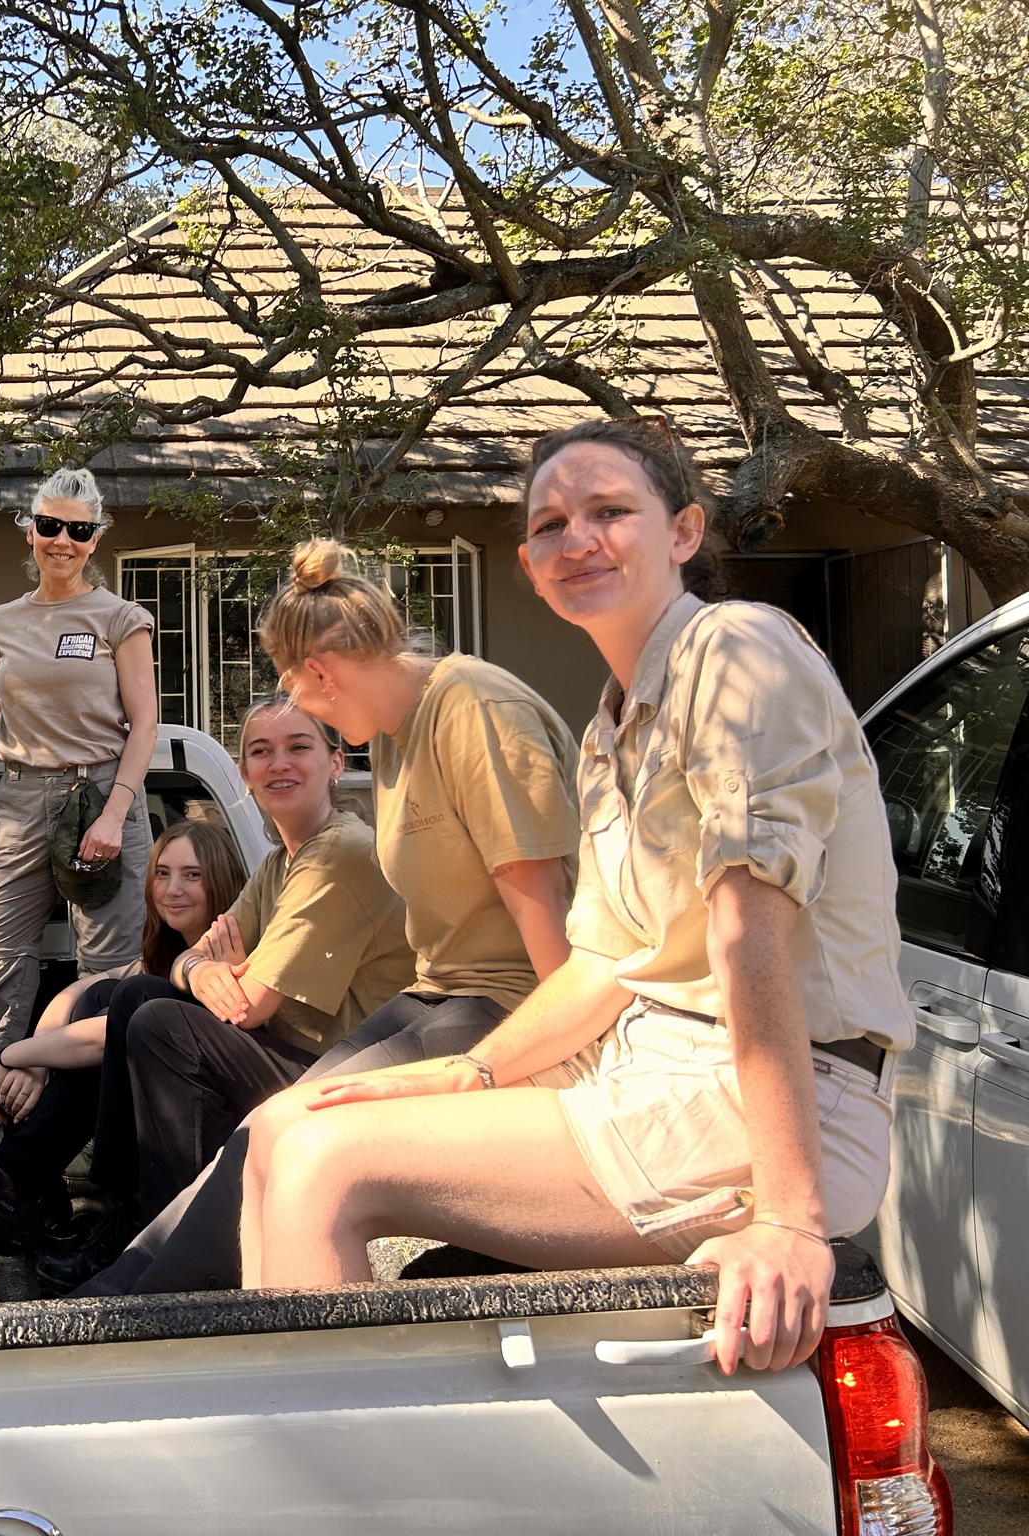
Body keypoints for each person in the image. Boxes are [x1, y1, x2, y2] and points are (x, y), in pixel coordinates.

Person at [241, 417, 911, 1376]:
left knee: (324, 1166)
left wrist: (790, 1220)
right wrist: (467, 1074)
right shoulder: (609, 729)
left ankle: (341, 1490)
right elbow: (602, 964)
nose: (578, 539)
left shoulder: (739, 652)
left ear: (684, 532)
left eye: (609, 512)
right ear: (528, 562)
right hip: (645, 1075)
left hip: (778, 1108)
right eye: (552, 524)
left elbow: (746, 935)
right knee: (283, 1125)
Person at [78, 544, 581, 1295]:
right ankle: (122, 1292)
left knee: (300, 1136)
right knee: (267, 1129)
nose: (304, 718)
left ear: (317, 672)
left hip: (504, 1007)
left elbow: (547, 912)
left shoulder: (473, 708)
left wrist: (566, 1070)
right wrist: (200, 964)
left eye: (298, 705)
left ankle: (138, 1314)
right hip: (435, 995)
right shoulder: (394, 740)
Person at [111, 695, 416, 1257]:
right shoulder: (280, 862)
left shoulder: (340, 854)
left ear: (335, 762)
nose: (279, 764)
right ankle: (115, 1209)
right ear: (245, 775)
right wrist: (201, 971)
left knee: (162, 1024)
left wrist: (207, 974)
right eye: (261, 752)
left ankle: (180, 1246)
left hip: (341, 1073)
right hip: (293, 1051)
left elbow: (248, 1007)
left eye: (298, 747)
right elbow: (188, 961)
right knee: (134, 993)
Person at [0, 466, 158, 1131]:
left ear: (95, 538)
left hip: (101, 793)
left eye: (78, 530)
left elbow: (145, 722)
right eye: (50, 526)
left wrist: (113, 812)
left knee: (105, 970)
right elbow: (16, 704)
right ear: (30, 530)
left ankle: (94, 1124)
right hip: (22, 800)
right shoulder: (4, 621)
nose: (62, 541)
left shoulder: (120, 618)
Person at [0, 821, 246, 1259]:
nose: (172, 889)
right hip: (161, 1118)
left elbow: (104, 1037)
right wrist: (35, 1066)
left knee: (119, 1011)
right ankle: (21, 1188)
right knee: (99, 995)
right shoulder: (167, 953)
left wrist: (15, 1054)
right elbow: (81, 990)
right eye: (162, 873)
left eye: (192, 875)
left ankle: (10, 1183)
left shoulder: (225, 954)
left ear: (221, 880)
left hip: (213, 1123)